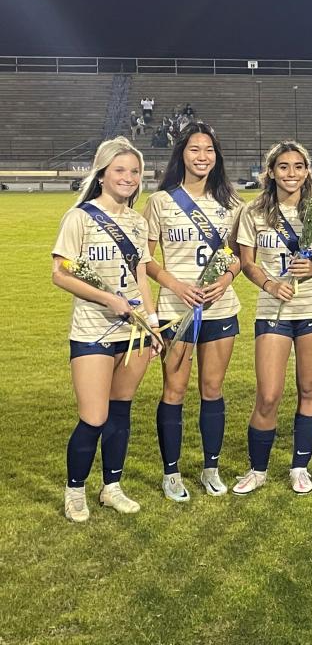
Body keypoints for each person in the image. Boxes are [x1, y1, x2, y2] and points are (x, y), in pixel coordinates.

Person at [52, 136, 163, 522]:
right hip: (92, 332)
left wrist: (152, 323)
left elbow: (142, 276)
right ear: (102, 174)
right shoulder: (80, 217)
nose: (129, 177)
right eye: (120, 170)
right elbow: (60, 273)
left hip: (133, 333)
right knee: (94, 416)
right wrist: (108, 300)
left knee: (120, 412)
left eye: (134, 171)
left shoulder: (137, 221)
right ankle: (75, 490)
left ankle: (111, 487)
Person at [144, 122, 243, 502]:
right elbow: (146, 259)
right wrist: (176, 285)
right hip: (176, 311)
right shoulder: (162, 202)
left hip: (221, 310)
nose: (202, 157)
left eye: (209, 150)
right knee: (175, 389)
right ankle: (172, 473)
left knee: (212, 389)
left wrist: (228, 278)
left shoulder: (233, 204)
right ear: (181, 154)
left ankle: (211, 467)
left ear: (217, 157)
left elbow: (238, 254)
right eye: (194, 150)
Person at [234, 141, 312, 494]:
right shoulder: (254, 212)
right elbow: (246, 262)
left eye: (298, 167)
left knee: (309, 389)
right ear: (271, 172)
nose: (291, 174)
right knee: (269, 394)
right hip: (272, 310)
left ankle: (299, 466)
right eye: (283, 167)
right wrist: (270, 284)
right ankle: (257, 469)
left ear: (307, 171)